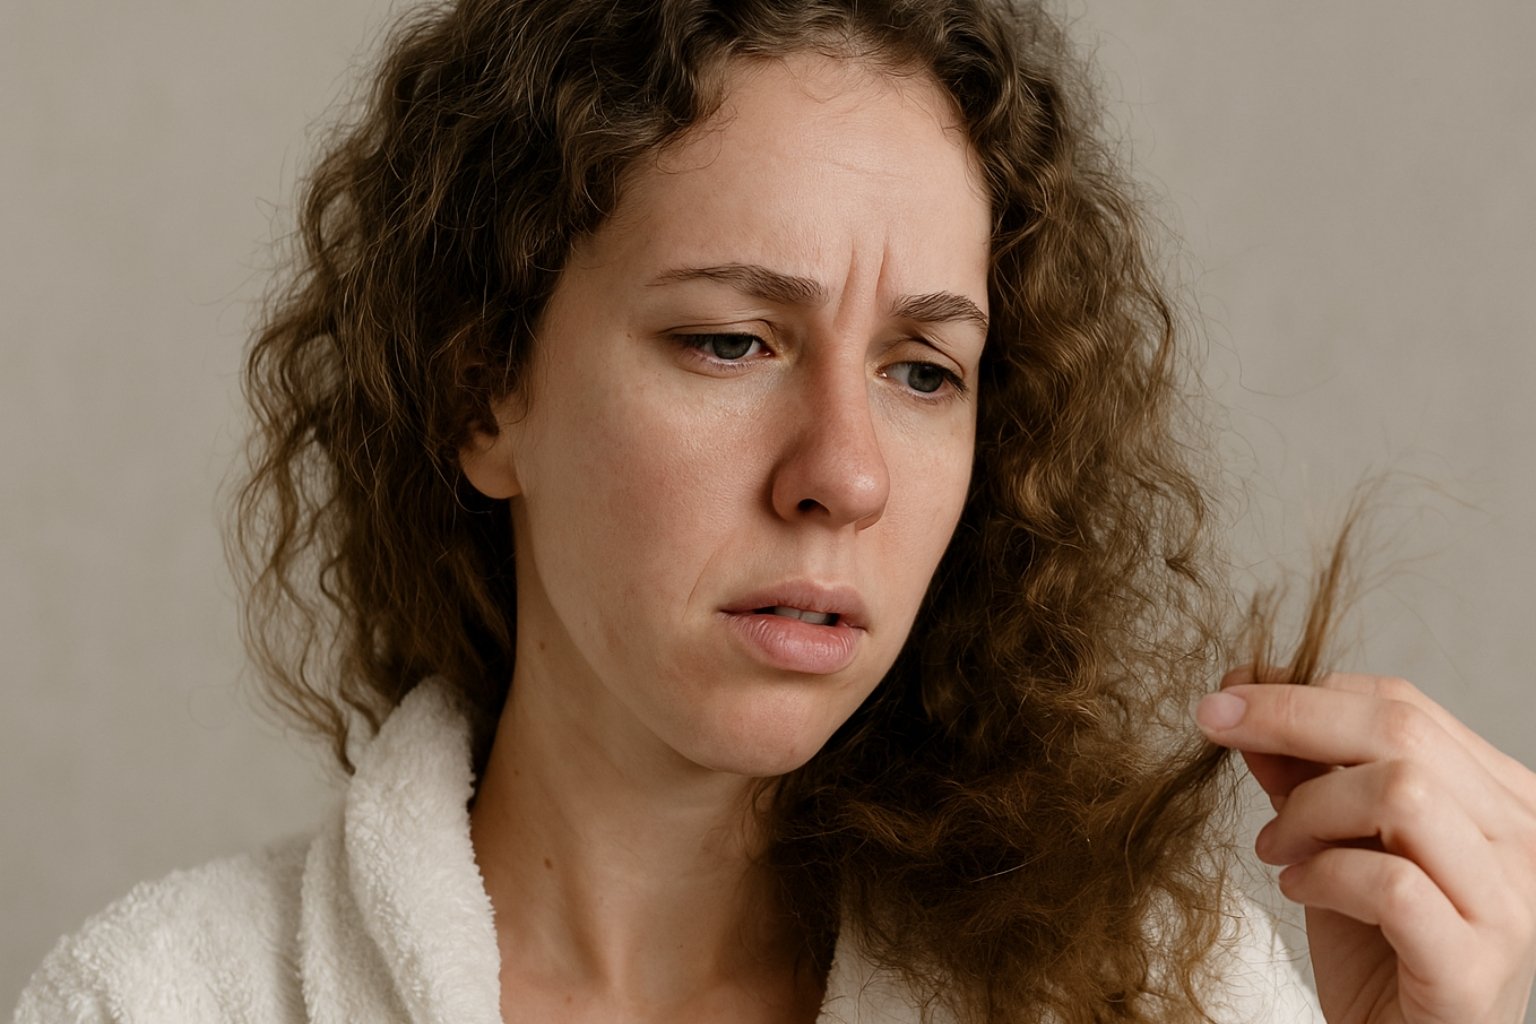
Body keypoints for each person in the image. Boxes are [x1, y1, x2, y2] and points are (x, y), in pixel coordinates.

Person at [15, 0, 1536, 1022]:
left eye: (925, 372)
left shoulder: (1152, 999)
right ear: (487, 395)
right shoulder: (157, 1001)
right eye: (730, 342)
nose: (846, 475)